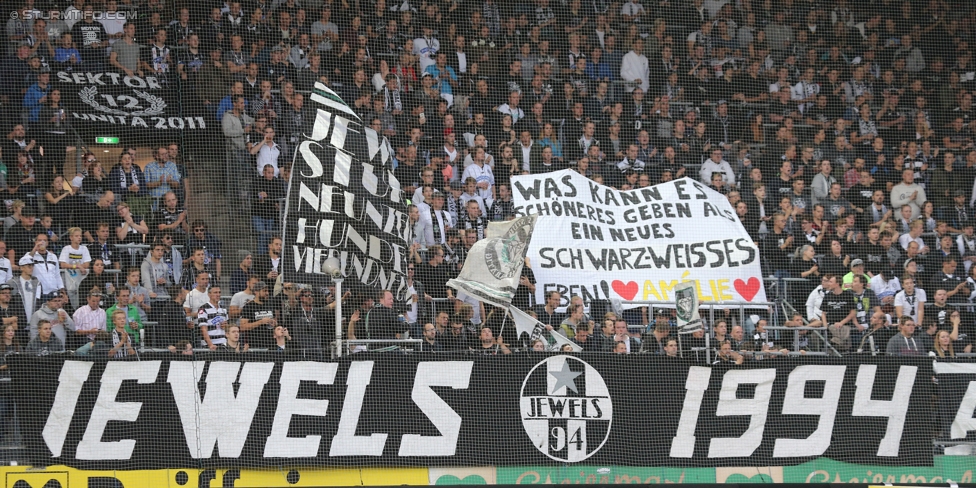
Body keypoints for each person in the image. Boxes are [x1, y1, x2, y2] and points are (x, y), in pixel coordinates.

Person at [239, 281, 277, 349]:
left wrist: (274, 323)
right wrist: (260, 322)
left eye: (267, 291)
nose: (267, 293)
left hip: (271, 345)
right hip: (255, 345)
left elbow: (275, 320)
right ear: (256, 292)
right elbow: (242, 326)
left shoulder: (270, 304)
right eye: (264, 291)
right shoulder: (249, 306)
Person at [197, 286, 228, 351]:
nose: (218, 295)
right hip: (210, 345)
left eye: (219, 292)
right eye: (215, 293)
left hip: (223, 344)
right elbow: (203, 329)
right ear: (209, 294)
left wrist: (226, 326)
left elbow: (227, 327)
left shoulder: (223, 309)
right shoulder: (203, 309)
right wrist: (210, 344)